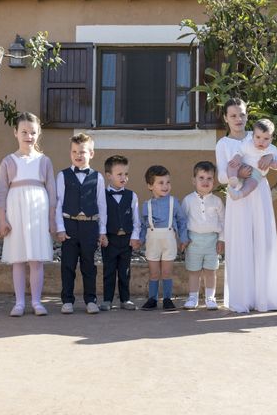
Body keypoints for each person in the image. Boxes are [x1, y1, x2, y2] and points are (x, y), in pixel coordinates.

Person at [215, 98, 277, 313]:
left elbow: (275, 160)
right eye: (233, 115)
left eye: (242, 114)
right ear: (226, 118)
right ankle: (241, 299)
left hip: (259, 193)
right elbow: (221, 176)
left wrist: (271, 156)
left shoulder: (259, 138)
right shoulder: (224, 144)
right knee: (241, 242)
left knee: (262, 240)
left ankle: (264, 298)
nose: (238, 119)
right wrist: (238, 174)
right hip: (238, 197)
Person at [0, 112, 57, 317]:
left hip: (38, 211)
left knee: (36, 259)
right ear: (15, 133)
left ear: (38, 134)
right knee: (18, 258)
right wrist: (3, 220)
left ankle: (37, 302)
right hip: (16, 211)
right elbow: (2, 192)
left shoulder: (44, 161)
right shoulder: (8, 161)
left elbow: (52, 192)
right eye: (24, 132)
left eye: (32, 132)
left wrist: (51, 220)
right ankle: (20, 303)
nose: (28, 136)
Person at [55, 133, 107, 314]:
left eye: (82, 152)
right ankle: (67, 300)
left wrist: (102, 231)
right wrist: (60, 228)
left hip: (89, 226)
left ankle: (90, 300)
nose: (78, 155)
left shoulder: (98, 177)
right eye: (74, 151)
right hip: (69, 224)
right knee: (68, 264)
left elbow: (102, 205)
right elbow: (58, 203)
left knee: (89, 265)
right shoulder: (63, 175)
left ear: (91, 153)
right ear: (70, 153)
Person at [139, 165, 189, 311]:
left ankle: (167, 299)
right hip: (152, 241)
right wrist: (140, 239)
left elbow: (181, 221)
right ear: (150, 186)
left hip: (169, 241)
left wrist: (183, 238)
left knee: (167, 272)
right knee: (154, 273)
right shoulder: (146, 205)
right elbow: (143, 225)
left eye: (167, 182)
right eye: (160, 183)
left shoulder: (174, 202)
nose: (165, 186)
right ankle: (152, 299)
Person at [181, 161, 225, 310]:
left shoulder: (217, 201)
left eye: (209, 178)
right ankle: (193, 297)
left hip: (212, 240)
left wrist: (221, 239)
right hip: (193, 241)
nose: (205, 181)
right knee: (194, 271)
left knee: (210, 271)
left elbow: (223, 221)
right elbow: (182, 221)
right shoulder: (188, 200)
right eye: (201, 178)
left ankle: (210, 298)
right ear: (194, 180)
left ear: (214, 180)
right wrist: (183, 239)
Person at [100, 155, 140, 311]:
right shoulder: (102, 195)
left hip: (126, 240)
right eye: (119, 174)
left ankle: (125, 299)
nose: (124, 177)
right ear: (109, 176)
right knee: (109, 270)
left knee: (125, 271)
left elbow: (136, 219)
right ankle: (107, 300)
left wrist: (135, 236)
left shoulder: (132, 196)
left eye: (126, 174)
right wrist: (102, 234)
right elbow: (101, 217)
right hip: (109, 239)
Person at [227, 119, 277, 200]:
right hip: (243, 166)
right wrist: (237, 157)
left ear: (271, 139)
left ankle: (239, 194)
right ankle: (233, 180)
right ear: (252, 136)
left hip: (256, 173)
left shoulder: (272, 149)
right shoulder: (248, 143)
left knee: (252, 184)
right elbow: (239, 151)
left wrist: (276, 162)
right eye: (258, 137)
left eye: (266, 139)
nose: (261, 141)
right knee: (232, 164)